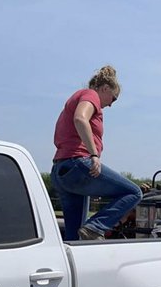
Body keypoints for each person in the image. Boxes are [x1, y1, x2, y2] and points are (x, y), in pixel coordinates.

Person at [51, 65, 142, 241]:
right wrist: (93, 155)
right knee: (133, 193)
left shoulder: (73, 100)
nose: (110, 104)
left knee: (75, 234)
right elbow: (80, 119)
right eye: (113, 98)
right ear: (105, 88)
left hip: (61, 170)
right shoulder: (89, 95)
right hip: (78, 164)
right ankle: (96, 227)